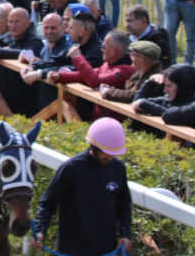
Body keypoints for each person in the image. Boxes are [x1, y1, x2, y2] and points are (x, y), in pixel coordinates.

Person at [32, 117, 132, 256]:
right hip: (72, 249)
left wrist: (125, 234)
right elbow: (47, 203)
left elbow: (124, 205)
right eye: (105, 153)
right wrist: (39, 230)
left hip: (106, 250)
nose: (109, 157)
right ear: (94, 146)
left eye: (113, 154)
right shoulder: (71, 168)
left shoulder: (118, 169)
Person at [50, 31, 135, 119]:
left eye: (104, 46)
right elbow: (85, 75)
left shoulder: (126, 70)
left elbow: (96, 81)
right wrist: (60, 76)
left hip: (115, 123)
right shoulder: (107, 64)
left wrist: (77, 57)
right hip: (100, 119)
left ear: (114, 51)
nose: (101, 49)